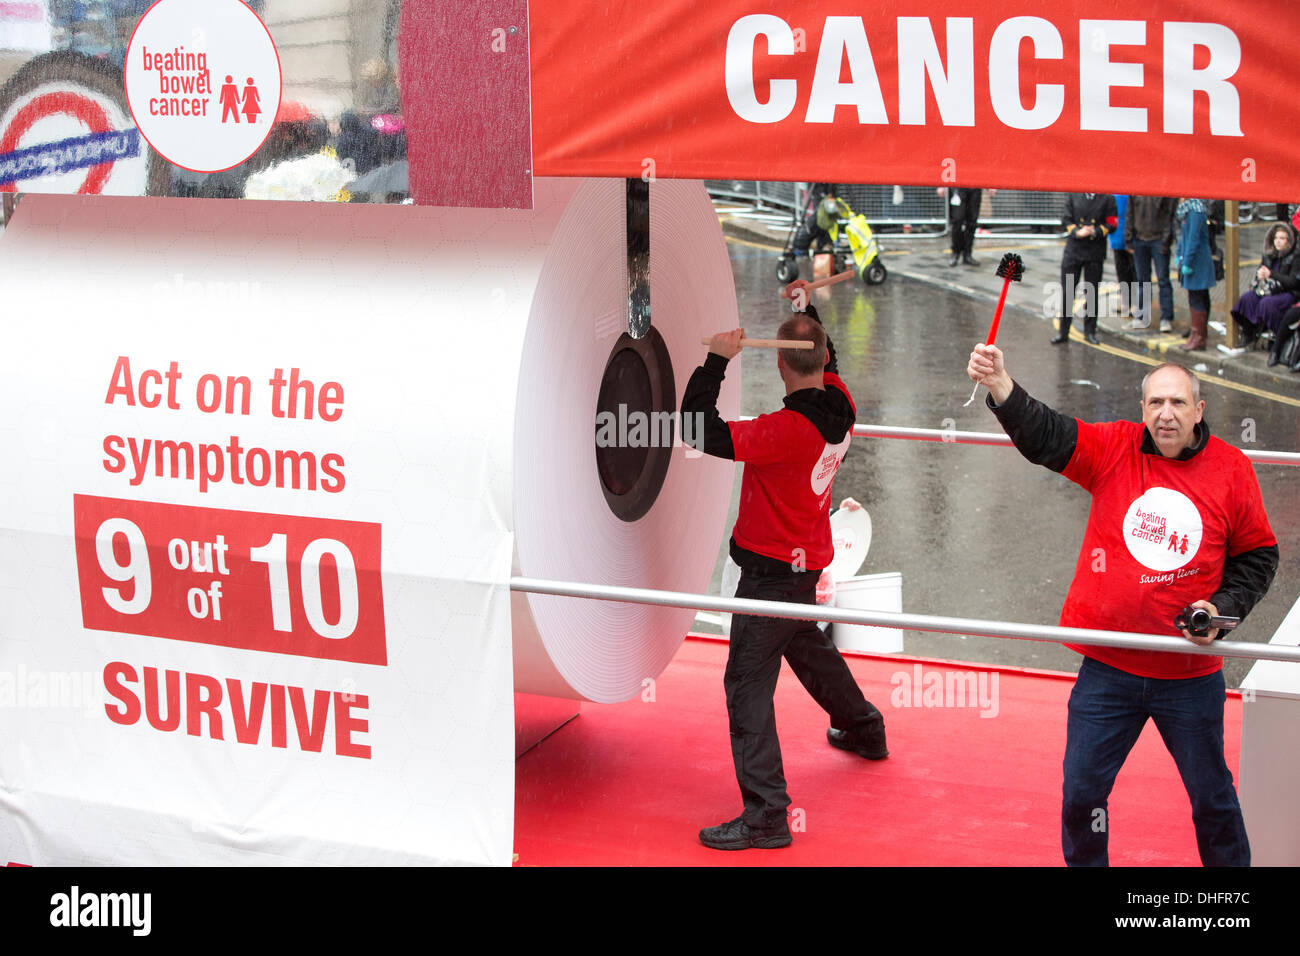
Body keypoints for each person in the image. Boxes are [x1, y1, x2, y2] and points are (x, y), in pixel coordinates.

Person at [966, 346, 1278, 866]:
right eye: (1156, 402)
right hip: (1110, 669)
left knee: (1213, 802)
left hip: (1188, 674)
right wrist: (1000, 384)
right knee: (1082, 796)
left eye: (1178, 402)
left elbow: (1258, 557)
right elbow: (1047, 435)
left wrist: (1222, 608)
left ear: (1199, 410)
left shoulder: (1231, 469)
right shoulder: (1113, 447)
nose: (1166, 414)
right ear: (1142, 408)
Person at [681, 296, 887, 851]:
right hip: (806, 563)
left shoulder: (783, 431)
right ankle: (865, 729)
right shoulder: (842, 403)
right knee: (808, 647)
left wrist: (716, 362)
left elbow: (698, 431)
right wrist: (813, 308)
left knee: (746, 685)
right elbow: (828, 356)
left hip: (770, 576)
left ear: (779, 362)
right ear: (822, 361)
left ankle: (767, 815)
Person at [1229, 223, 1300, 361]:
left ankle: (1279, 338)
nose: (1278, 241)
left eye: (1282, 238)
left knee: (1267, 304)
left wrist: (1271, 274)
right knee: (1247, 298)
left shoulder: (1296, 257)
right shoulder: (1269, 254)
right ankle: (1249, 332)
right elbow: (1260, 273)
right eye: (1276, 238)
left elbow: (1293, 282)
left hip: (1287, 292)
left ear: (1289, 241)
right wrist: (1260, 276)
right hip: (1268, 290)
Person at [1054, 193, 1118, 345]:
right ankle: (1063, 332)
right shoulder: (1073, 195)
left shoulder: (1107, 197)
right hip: (1073, 251)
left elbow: (1113, 223)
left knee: (1092, 293)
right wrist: (1078, 231)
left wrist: (1095, 231)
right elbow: (1065, 219)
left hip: (1095, 252)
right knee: (1068, 293)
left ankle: (1090, 332)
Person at [1124, 195, 1178, 332]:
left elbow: (1169, 215)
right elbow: (1129, 213)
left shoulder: (1163, 188)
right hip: (1140, 239)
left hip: (1159, 240)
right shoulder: (1135, 189)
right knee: (1143, 280)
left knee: (1163, 280)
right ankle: (1142, 316)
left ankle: (1166, 318)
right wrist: (1129, 237)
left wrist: (1166, 241)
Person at [1175, 198, 1217, 351]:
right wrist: (1179, 254)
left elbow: (1194, 238)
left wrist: (1187, 262)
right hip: (1191, 258)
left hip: (1197, 261)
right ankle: (1196, 333)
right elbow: (1184, 237)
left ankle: (1198, 338)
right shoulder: (1188, 209)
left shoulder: (1196, 211)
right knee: (1197, 296)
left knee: (1197, 297)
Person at [942, 187, 995, 267]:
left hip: (975, 186)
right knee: (957, 220)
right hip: (958, 187)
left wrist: (991, 185)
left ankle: (967, 254)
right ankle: (955, 252)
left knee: (972, 221)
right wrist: (941, 185)